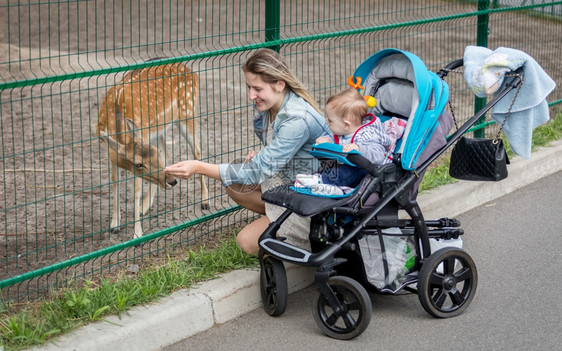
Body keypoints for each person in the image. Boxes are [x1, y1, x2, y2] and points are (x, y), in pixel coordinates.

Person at [164, 48, 331, 254]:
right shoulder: (271, 107)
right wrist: (265, 152)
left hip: (310, 201)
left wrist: (198, 166)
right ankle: (273, 217)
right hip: (291, 183)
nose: (251, 95)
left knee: (245, 242)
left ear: (279, 85)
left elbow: (256, 171)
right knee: (234, 184)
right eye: (248, 87)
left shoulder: (296, 119)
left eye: (257, 89)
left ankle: (301, 237)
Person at [295, 88, 404, 195]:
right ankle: (334, 188)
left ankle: (323, 181)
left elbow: (378, 155)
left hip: (374, 172)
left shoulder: (367, 134)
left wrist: (359, 148)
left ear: (346, 125)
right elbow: (337, 140)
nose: (327, 123)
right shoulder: (343, 132)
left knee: (349, 170)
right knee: (336, 166)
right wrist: (327, 140)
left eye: (330, 120)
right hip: (350, 168)